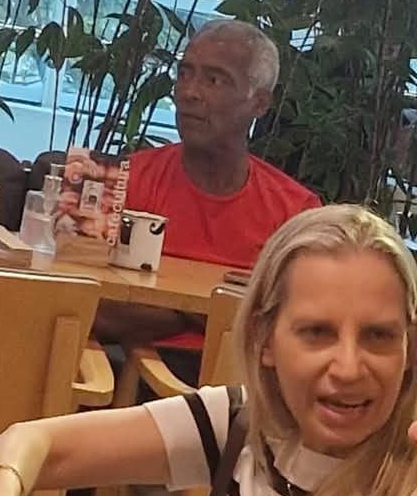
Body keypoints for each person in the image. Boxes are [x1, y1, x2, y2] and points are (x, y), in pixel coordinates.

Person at [0, 204, 417, 496]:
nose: (349, 368)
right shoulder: (242, 426)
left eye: (378, 336)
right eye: (317, 333)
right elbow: (34, 443)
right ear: (265, 339)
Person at [95, 19, 320, 345]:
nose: (189, 93)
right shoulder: (126, 180)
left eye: (214, 80)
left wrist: (168, 306)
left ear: (259, 103)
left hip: (239, 375)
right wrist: (214, 309)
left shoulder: (295, 212)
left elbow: (294, 328)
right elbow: (89, 307)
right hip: (124, 367)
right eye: (184, 74)